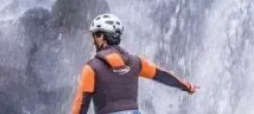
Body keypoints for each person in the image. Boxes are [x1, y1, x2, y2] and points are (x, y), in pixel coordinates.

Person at [69, 14, 198, 114]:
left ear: (101, 36)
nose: (93, 41)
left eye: (94, 36)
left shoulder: (92, 68)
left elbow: (81, 104)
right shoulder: (135, 62)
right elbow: (162, 76)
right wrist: (186, 87)